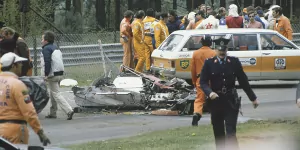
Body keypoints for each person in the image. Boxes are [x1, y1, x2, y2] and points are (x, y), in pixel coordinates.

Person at [200, 35, 259, 150]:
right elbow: (202, 82)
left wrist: (253, 98)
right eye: (219, 50)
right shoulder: (209, 63)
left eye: (224, 50)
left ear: (227, 49)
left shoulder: (234, 62)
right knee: (218, 133)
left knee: (231, 132)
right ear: (215, 50)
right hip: (215, 102)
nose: (222, 52)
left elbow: (243, 81)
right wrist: (209, 92)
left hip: (230, 100)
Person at [0, 52, 51, 145]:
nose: (21, 65)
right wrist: (39, 131)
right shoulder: (18, 84)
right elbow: (29, 111)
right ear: (13, 66)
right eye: (19, 63)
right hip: (14, 131)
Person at [41, 31, 74, 120]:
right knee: (53, 92)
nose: (41, 41)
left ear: (46, 40)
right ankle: (53, 112)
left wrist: (46, 74)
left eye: (42, 39)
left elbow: (47, 62)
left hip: (52, 75)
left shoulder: (46, 49)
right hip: (59, 73)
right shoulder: (56, 47)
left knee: (56, 93)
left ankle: (69, 110)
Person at [191, 35, 216, 126]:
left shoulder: (196, 53)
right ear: (210, 43)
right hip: (212, 79)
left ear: (201, 42)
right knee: (214, 98)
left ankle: (196, 114)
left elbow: (193, 69)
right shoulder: (214, 53)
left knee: (199, 99)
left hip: (200, 79)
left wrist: (194, 81)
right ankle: (215, 118)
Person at [143, 8, 156, 73]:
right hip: (151, 38)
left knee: (147, 54)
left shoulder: (143, 20)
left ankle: (147, 68)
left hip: (145, 38)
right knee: (153, 54)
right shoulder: (154, 20)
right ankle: (154, 67)